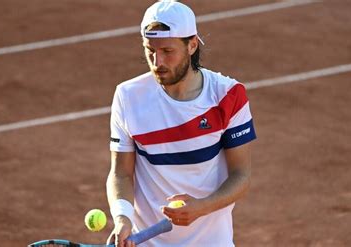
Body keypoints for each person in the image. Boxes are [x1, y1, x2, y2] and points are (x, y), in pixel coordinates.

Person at [106, 1, 256, 246]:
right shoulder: (128, 96)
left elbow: (242, 176)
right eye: (150, 50)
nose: (157, 62)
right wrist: (122, 216)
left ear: (192, 45)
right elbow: (120, 172)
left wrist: (201, 208)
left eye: (167, 51)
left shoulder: (228, 95)